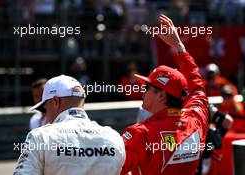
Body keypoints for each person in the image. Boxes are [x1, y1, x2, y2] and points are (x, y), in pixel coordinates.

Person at [121, 15, 209, 175]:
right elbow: (197, 90)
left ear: (161, 95)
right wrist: (180, 48)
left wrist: (179, 47)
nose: (143, 91)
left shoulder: (141, 134)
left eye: (147, 87)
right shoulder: (195, 120)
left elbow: (108, 168)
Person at [14, 75, 125, 175]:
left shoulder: (40, 137)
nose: (45, 112)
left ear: (56, 101)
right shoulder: (114, 138)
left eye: (44, 107)